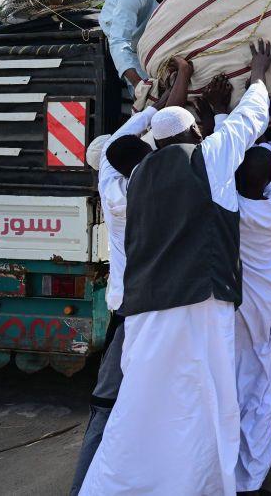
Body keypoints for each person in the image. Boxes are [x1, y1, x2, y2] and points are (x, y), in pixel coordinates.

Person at [79, 41, 271, 496]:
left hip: (147, 308)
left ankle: (118, 484)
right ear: (194, 136)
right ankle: (203, 483)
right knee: (207, 397)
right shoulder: (209, 159)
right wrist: (259, 74)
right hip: (200, 304)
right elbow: (251, 120)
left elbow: (124, 146)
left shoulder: (131, 181)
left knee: (144, 401)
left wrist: (153, 108)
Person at [69, 60, 192, 496]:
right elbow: (152, 135)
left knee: (112, 401)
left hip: (128, 305)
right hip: (144, 310)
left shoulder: (113, 187)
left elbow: (126, 142)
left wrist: (163, 98)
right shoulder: (153, 187)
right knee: (116, 402)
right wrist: (181, 82)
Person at [231, 138, 271, 494]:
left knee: (238, 380)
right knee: (265, 389)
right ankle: (250, 481)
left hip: (238, 308)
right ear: (268, 178)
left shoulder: (229, 205)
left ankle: (228, 469)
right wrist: (268, 138)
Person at [101, 0, 191, 93]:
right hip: (128, 36)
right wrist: (138, 83)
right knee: (145, 91)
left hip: (158, 30)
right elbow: (120, 40)